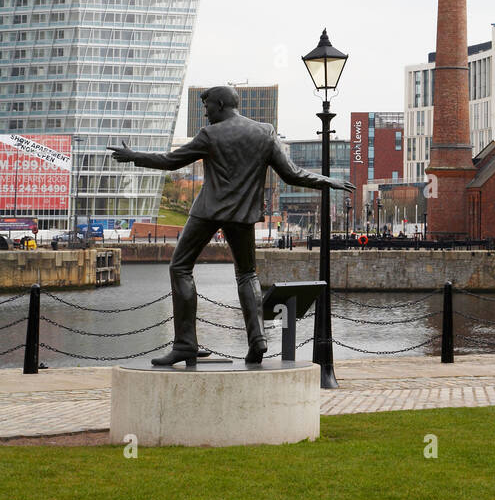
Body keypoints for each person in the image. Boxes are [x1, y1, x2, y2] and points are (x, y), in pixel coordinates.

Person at [111, 85, 353, 366]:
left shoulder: (210, 135)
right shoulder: (265, 132)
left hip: (208, 211)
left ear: (222, 103)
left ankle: (185, 344)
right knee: (247, 274)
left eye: (208, 106)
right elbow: (291, 174)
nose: (205, 113)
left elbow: (170, 162)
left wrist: (134, 157)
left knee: (180, 267)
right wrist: (326, 181)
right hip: (242, 214)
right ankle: (258, 338)